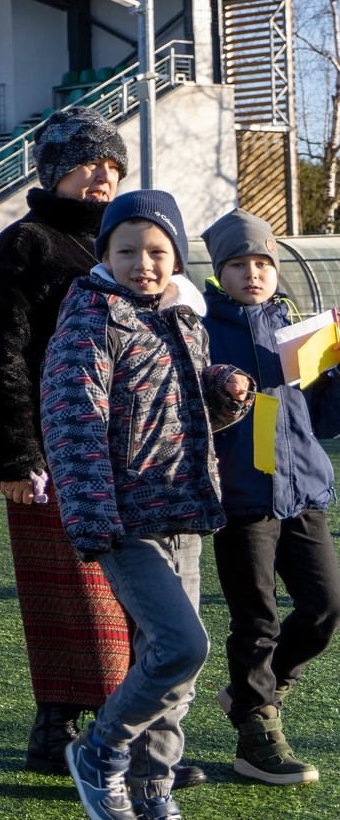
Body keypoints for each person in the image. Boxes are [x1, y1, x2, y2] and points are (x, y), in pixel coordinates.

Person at [43, 190, 253, 820]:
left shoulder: (182, 317)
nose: (145, 262)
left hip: (181, 511)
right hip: (124, 520)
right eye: (128, 249)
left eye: (159, 251)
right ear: (104, 253)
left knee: (176, 673)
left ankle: (150, 788)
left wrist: (223, 390)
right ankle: (99, 752)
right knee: (181, 646)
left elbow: (188, 416)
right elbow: (72, 426)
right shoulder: (89, 320)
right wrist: (94, 520)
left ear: (179, 259)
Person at [0, 106, 138, 772]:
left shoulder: (126, 241)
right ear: (53, 167)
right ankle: (97, 737)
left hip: (125, 450)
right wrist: (17, 454)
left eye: (112, 163)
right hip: (56, 452)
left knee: (120, 597)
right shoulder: (27, 242)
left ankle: (59, 734)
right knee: (74, 596)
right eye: (88, 160)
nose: (103, 173)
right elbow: (5, 356)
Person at [198, 210, 340, 786]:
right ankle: (257, 734)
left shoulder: (298, 328)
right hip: (242, 497)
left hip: (303, 490)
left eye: (262, 263)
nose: (253, 273)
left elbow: (324, 420)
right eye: (239, 264)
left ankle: (254, 691)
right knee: (256, 620)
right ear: (220, 272)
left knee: (327, 606)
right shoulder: (200, 328)